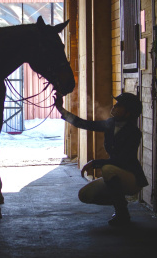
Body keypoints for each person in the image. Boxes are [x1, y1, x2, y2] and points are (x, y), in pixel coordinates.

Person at [53, 91, 148, 227]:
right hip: (115, 176)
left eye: (119, 105)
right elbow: (84, 124)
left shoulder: (133, 132)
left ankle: (122, 213)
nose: (114, 107)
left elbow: (122, 160)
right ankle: (120, 201)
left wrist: (96, 163)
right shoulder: (111, 124)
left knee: (107, 168)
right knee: (85, 195)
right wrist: (61, 109)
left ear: (128, 113)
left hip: (131, 178)